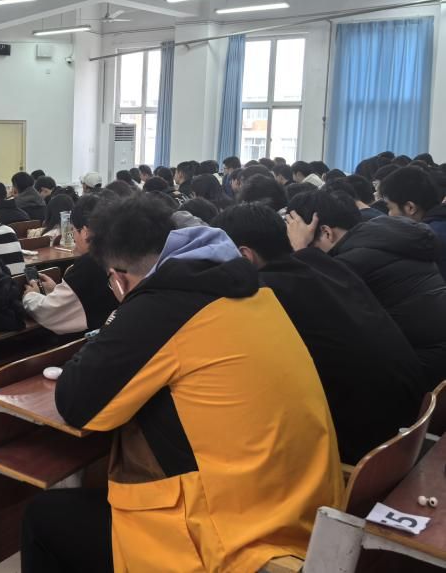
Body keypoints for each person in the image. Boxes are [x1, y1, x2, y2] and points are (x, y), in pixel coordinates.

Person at [21, 196, 343, 573]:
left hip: (231, 541)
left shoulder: (161, 308)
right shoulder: (251, 291)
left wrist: (120, 317)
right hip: (307, 515)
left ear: (118, 278)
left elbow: (77, 403)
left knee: (43, 517)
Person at [213, 203, 425, 464]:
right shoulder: (324, 264)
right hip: (411, 422)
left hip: (366, 450)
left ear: (244, 255)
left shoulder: (264, 296)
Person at [287, 190, 446, 389]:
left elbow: (314, 303)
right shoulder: (388, 235)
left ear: (327, 232)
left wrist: (301, 250)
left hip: (421, 371)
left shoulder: (347, 265)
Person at [22, 194, 118, 334]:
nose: (73, 236)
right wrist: (57, 290)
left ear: (85, 232)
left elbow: (50, 313)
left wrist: (31, 296)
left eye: (73, 230)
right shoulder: (120, 254)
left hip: (92, 339)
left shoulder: (88, 264)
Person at [380, 166, 446, 277]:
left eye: (390, 208)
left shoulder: (427, 241)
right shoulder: (439, 223)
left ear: (410, 208)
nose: (389, 214)